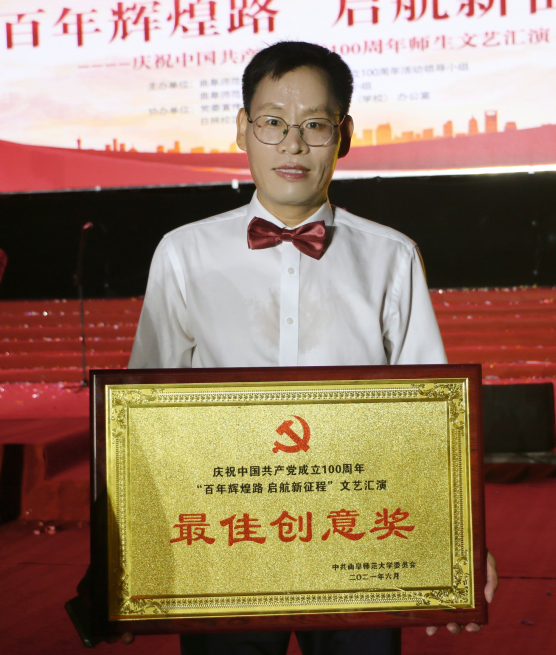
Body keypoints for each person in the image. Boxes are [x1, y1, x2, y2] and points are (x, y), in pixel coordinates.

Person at [121, 41, 497, 654]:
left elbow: (432, 418)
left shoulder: (391, 256)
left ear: (343, 136)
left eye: (315, 125)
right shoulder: (183, 253)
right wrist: (127, 551)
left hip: (361, 542)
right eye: (272, 122)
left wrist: (458, 543)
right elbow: (143, 414)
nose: (292, 145)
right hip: (225, 540)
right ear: (242, 128)